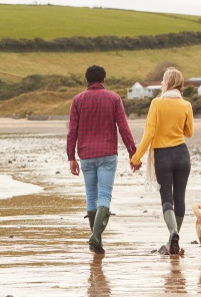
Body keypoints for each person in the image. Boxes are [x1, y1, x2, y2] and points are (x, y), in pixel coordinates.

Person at [67, 65, 138, 254]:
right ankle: (95, 237)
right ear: (104, 80)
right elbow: (124, 128)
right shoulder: (114, 99)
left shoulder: (78, 100)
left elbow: (72, 131)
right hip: (107, 154)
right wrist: (133, 153)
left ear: (86, 81)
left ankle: (96, 239)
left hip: (86, 155)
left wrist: (70, 157)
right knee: (105, 195)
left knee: (91, 196)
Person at [130, 67, 194, 255]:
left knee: (167, 198)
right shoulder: (186, 105)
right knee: (179, 197)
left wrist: (136, 158)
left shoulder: (156, 103)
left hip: (163, 156)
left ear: (166, 83)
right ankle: (173, 240)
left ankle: (173, 233)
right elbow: (189, 133)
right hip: (182, 155)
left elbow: (149, 134)